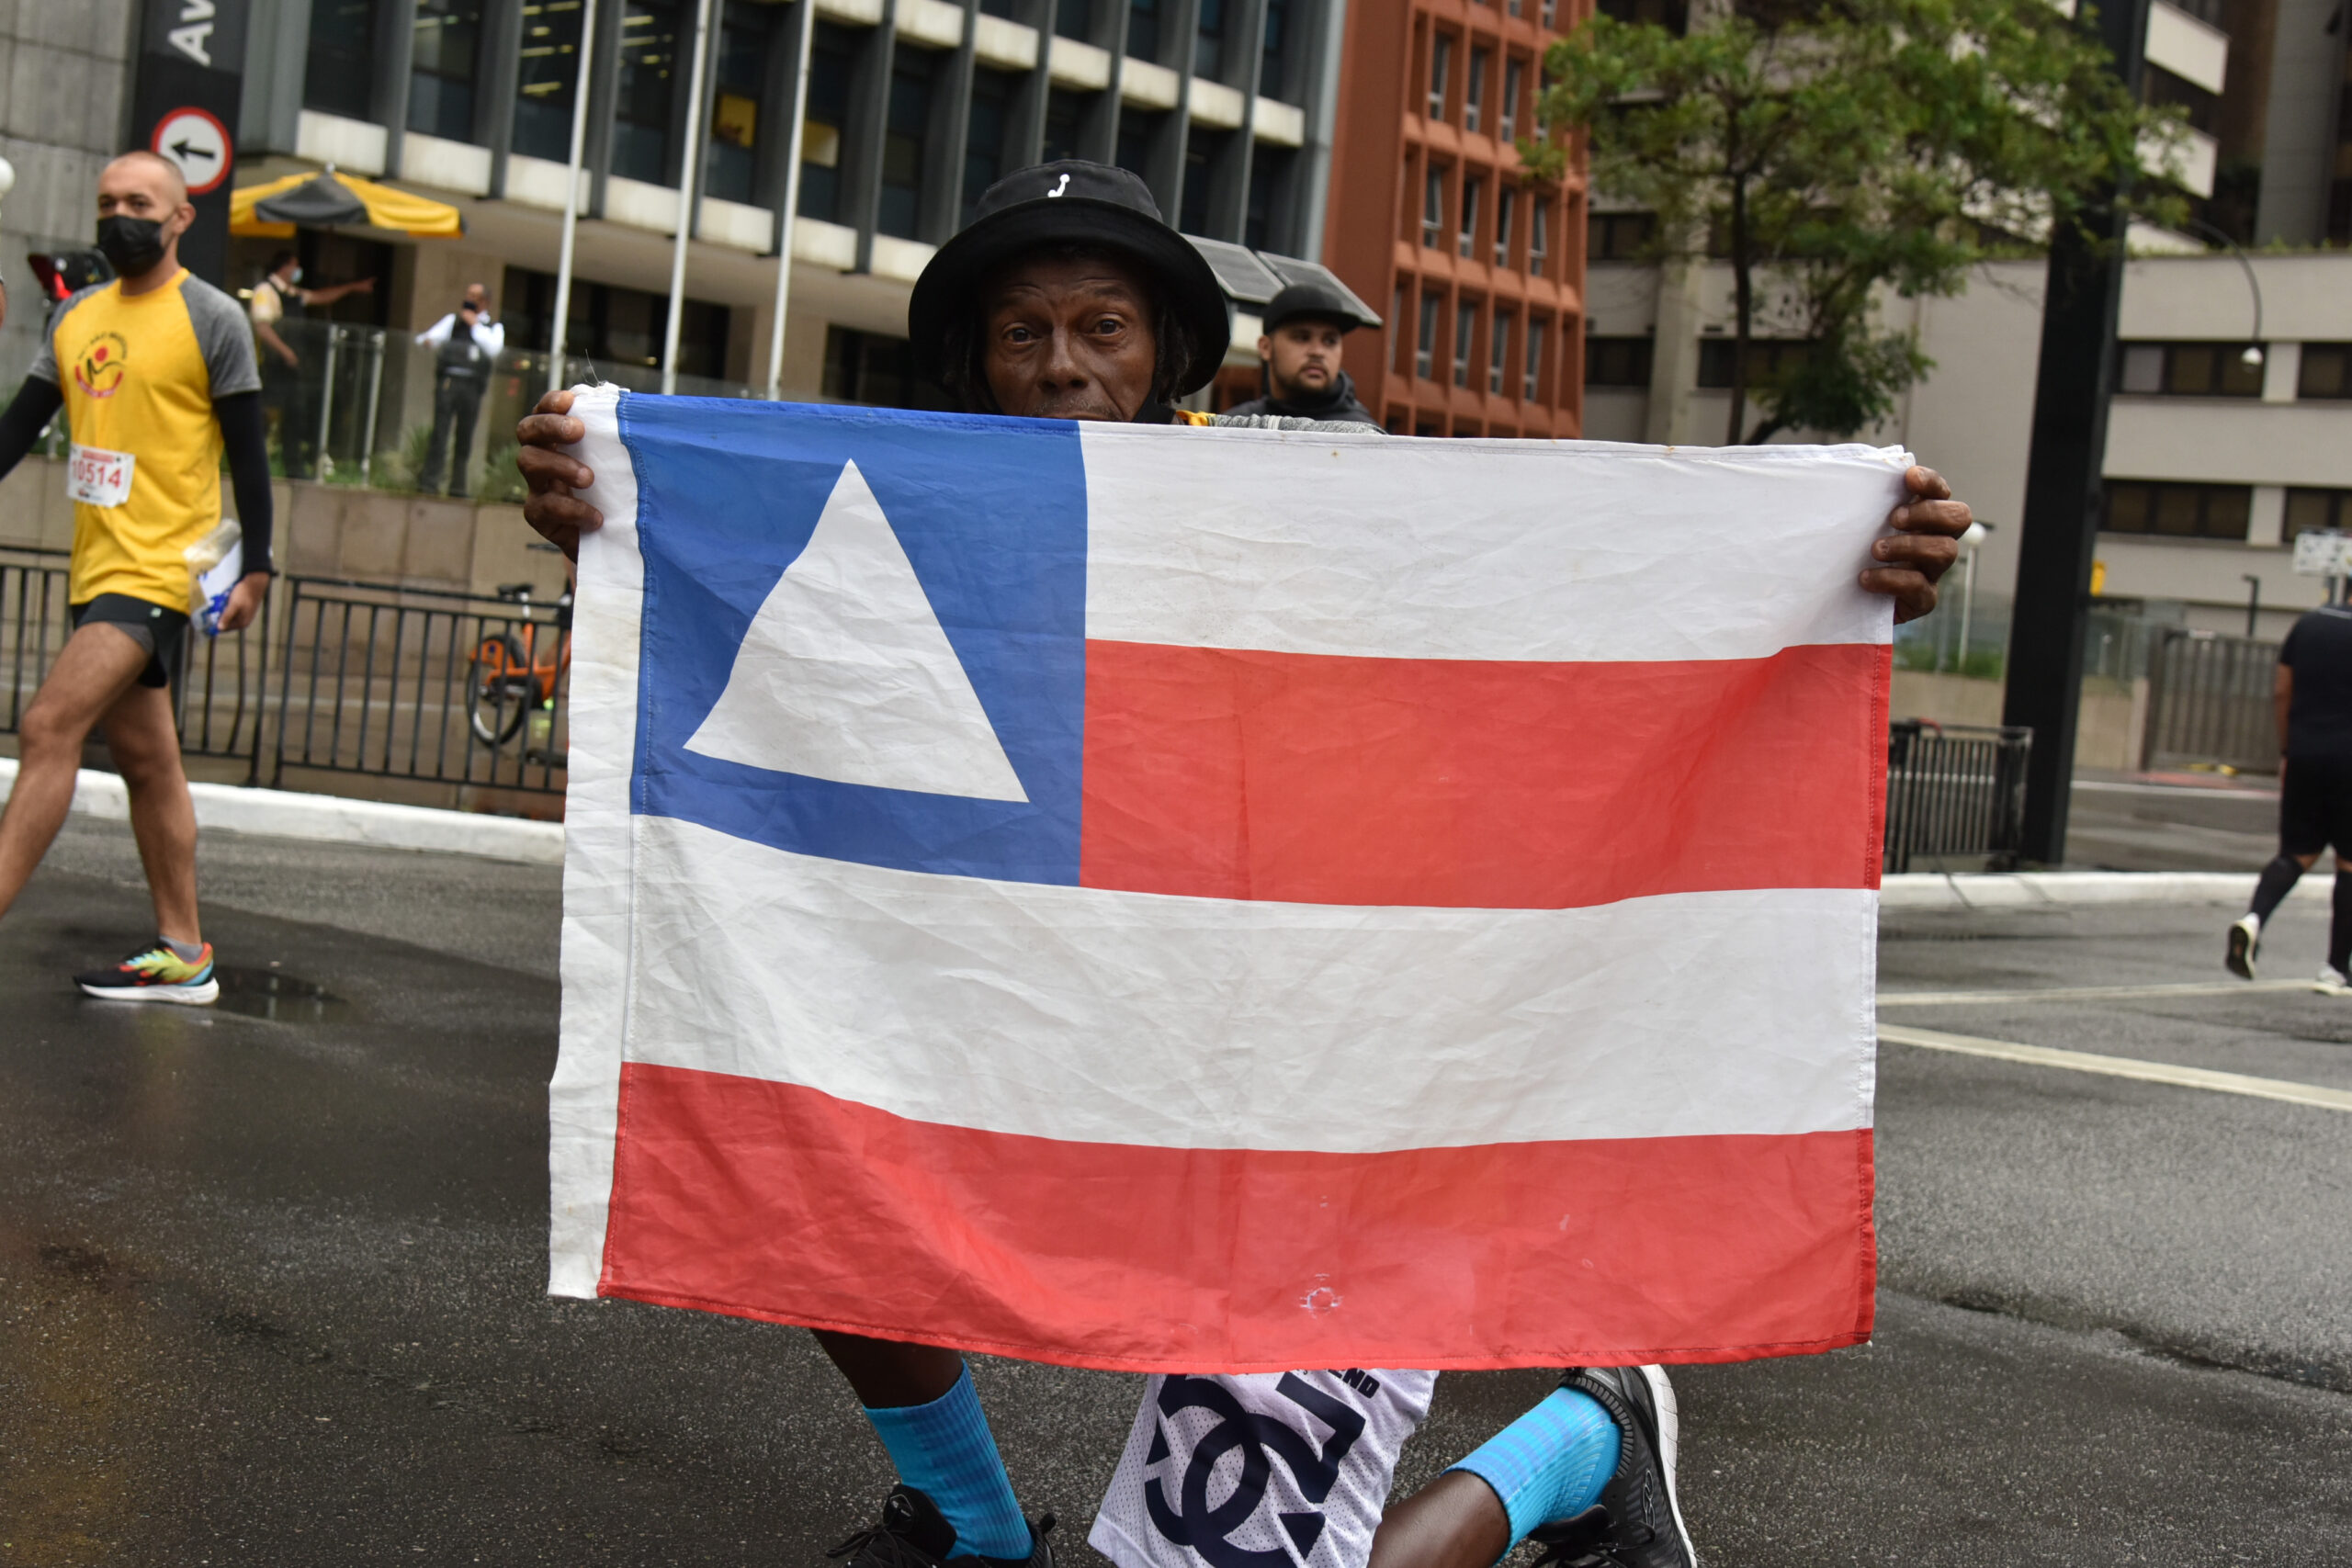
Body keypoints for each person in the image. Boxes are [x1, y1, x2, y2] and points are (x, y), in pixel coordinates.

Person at [514, 160, 1972, 1568]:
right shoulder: (896, 511)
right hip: (1052, 1038)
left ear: (1167, 352)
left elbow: (1525, 625)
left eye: (1102, 326)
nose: (1063, 364)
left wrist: (1834, 572)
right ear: (975, 356)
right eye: (1024, 331)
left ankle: (1580, 1443)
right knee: (812, 1170)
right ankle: (970, 1518)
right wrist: (621, 529)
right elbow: (758, 658)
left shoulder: (1291, 510)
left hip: (1302, 1086)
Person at [0, 150, 276, 1002]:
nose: (122, 214)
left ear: (180, 216)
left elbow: (249, 455)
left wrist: (258, 566)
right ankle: (184, 951)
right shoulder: (77, 317)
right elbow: (16, 431)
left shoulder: (213, 317)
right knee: (149, 763)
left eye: (140, 202)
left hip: (160, 572)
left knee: (50, 727)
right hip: (96, 569)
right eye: (108, 201)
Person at [2227, 597, 2352, 991]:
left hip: (2303, 754)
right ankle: (2334, 968)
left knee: (2296, 852)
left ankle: (2253, 920)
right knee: (2349, 864)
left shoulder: (2308, 625)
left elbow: (2282, 690)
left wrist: (2287, 748)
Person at [247, 248, 373, 479]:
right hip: (274, 366)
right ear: (284, 266)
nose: (297, 271)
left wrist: (353, 287)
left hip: (293, 368)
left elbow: (320, 297)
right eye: (294, 265)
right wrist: (285, 352)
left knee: (295, 416)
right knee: (266, 417)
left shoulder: (292, 292)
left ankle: (293, 468)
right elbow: (262, 327)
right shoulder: (266, 291)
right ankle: (254, 464)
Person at [1221, 277, 1381, 426]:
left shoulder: (1367, 437)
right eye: (1302, 338)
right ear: (1265, 347)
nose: (1318, 352)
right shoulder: (1237, 427)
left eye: (1330, 341)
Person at [414, 281, 505, 497]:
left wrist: (474, 324)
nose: (471, 299)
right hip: (449, 383)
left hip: (472, 387)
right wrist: (429, 342)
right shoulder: (453, 321)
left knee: (465, 436)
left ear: (486, 302)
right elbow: (427, 339)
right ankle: (430, 482)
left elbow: (493, 349)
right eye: (469, 294)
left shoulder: (492, 328)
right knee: (440, 433)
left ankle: (458, 486)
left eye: (476, 296)